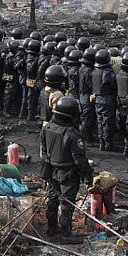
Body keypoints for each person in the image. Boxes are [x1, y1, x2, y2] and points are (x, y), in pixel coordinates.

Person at [40, 96, 94, 237]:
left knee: (52, 199)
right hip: (68, 173)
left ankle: (51, 228)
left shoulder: (47, 127)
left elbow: (44, 150)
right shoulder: (72, 134)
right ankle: (66, 234)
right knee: (66, 204)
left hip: (51, 170)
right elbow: (80, 160)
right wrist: (89, 176)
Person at [92, 49, 118, 151]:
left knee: (100, 121)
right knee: (107, 122)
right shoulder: (108, 73)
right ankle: (107, 143)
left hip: (98, 98)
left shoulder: (95, 71)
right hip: (108, 99)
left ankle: (101, 143)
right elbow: (113, 86)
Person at [78, 48, 97, 143]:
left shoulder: (81, 68)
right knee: (86, 119)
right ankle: (83, 138)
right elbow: (90, 85)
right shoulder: (89, 71)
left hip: (82, 95)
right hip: (87, 96)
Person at [24, 39, 42, 121]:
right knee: (30, 98)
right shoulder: (31, 57)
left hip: (33, 80)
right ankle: (30, 117)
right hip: (31, 80)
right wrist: (36, 61)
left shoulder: (32, 56)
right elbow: (30, 70)